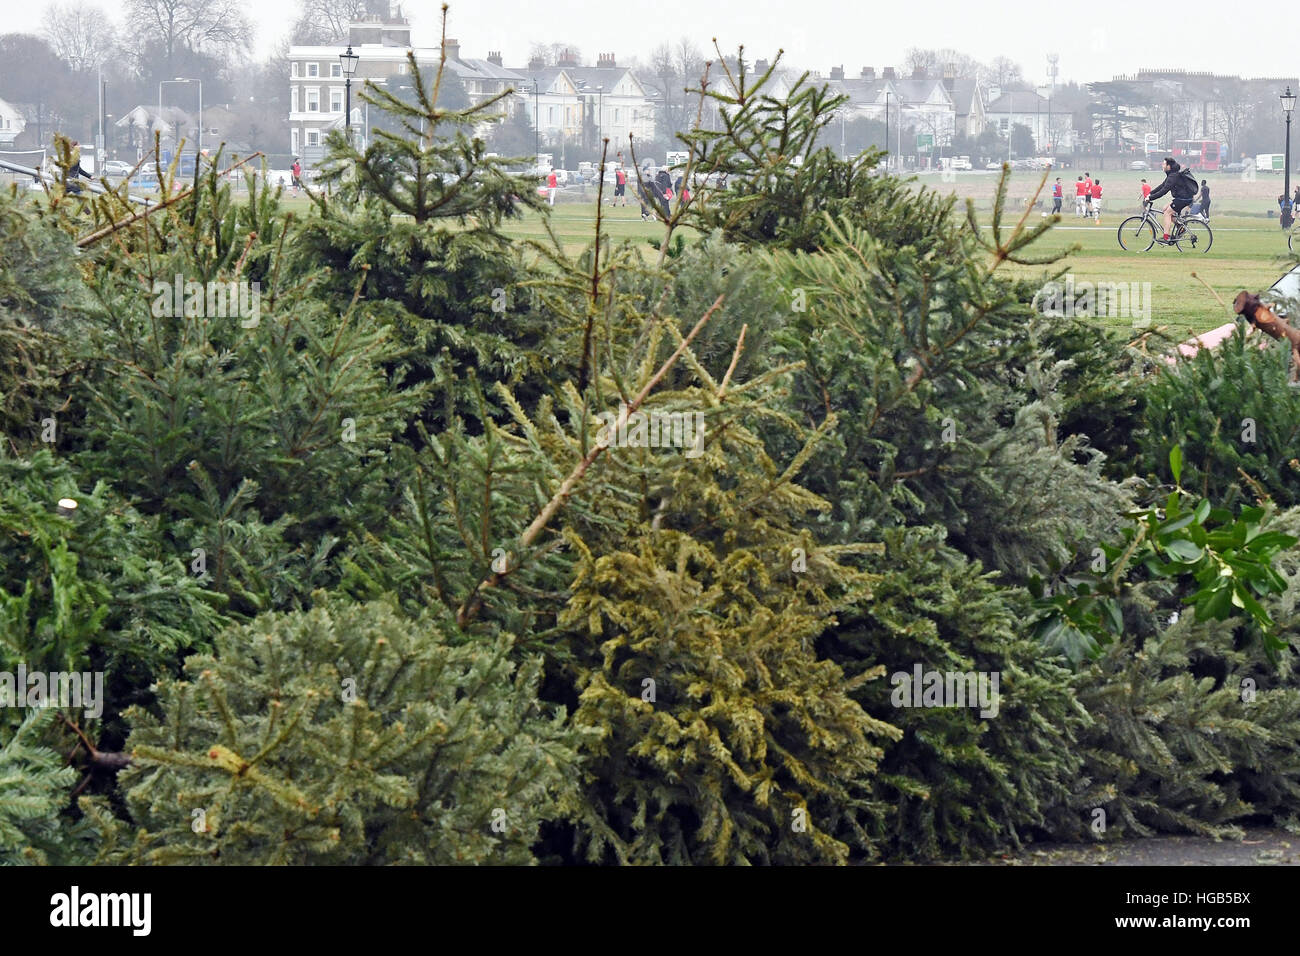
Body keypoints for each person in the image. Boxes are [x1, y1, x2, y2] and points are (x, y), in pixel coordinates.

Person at [1145, 156, 1198, 242]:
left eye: (1164, 164)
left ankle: (1166, 237)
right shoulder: (1172, 175)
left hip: (1183, 199)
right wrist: (1150, 193)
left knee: (1167, 213)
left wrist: (1150, 198)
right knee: (1165, 208)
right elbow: (1162, 186)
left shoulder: (1173, 176)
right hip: (1182, 198)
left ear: (1168, 166)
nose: (1162, 165)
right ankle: (1180, 227)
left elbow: (1164, 191)